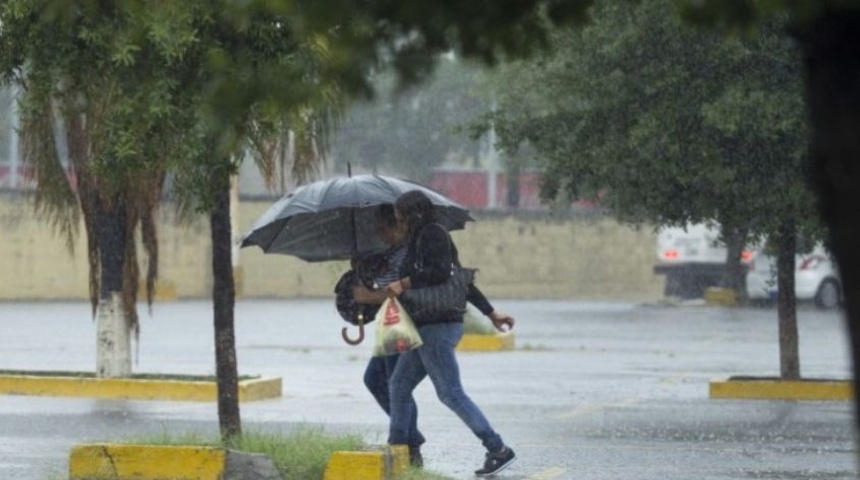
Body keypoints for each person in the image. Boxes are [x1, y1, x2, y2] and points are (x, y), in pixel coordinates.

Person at [384, 190, 517, 477]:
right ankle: (397, 448)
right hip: (426, 326)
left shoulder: (432, 234)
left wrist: (404, 283)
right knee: (399, 385)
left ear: (413, 215)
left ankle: (498, 449)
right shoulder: (420, 240)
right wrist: (492, 313)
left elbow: (443, 273)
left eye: (400, 218)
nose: (399, 223)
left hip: (438, 326)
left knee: (450, 393)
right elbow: (462, 281)